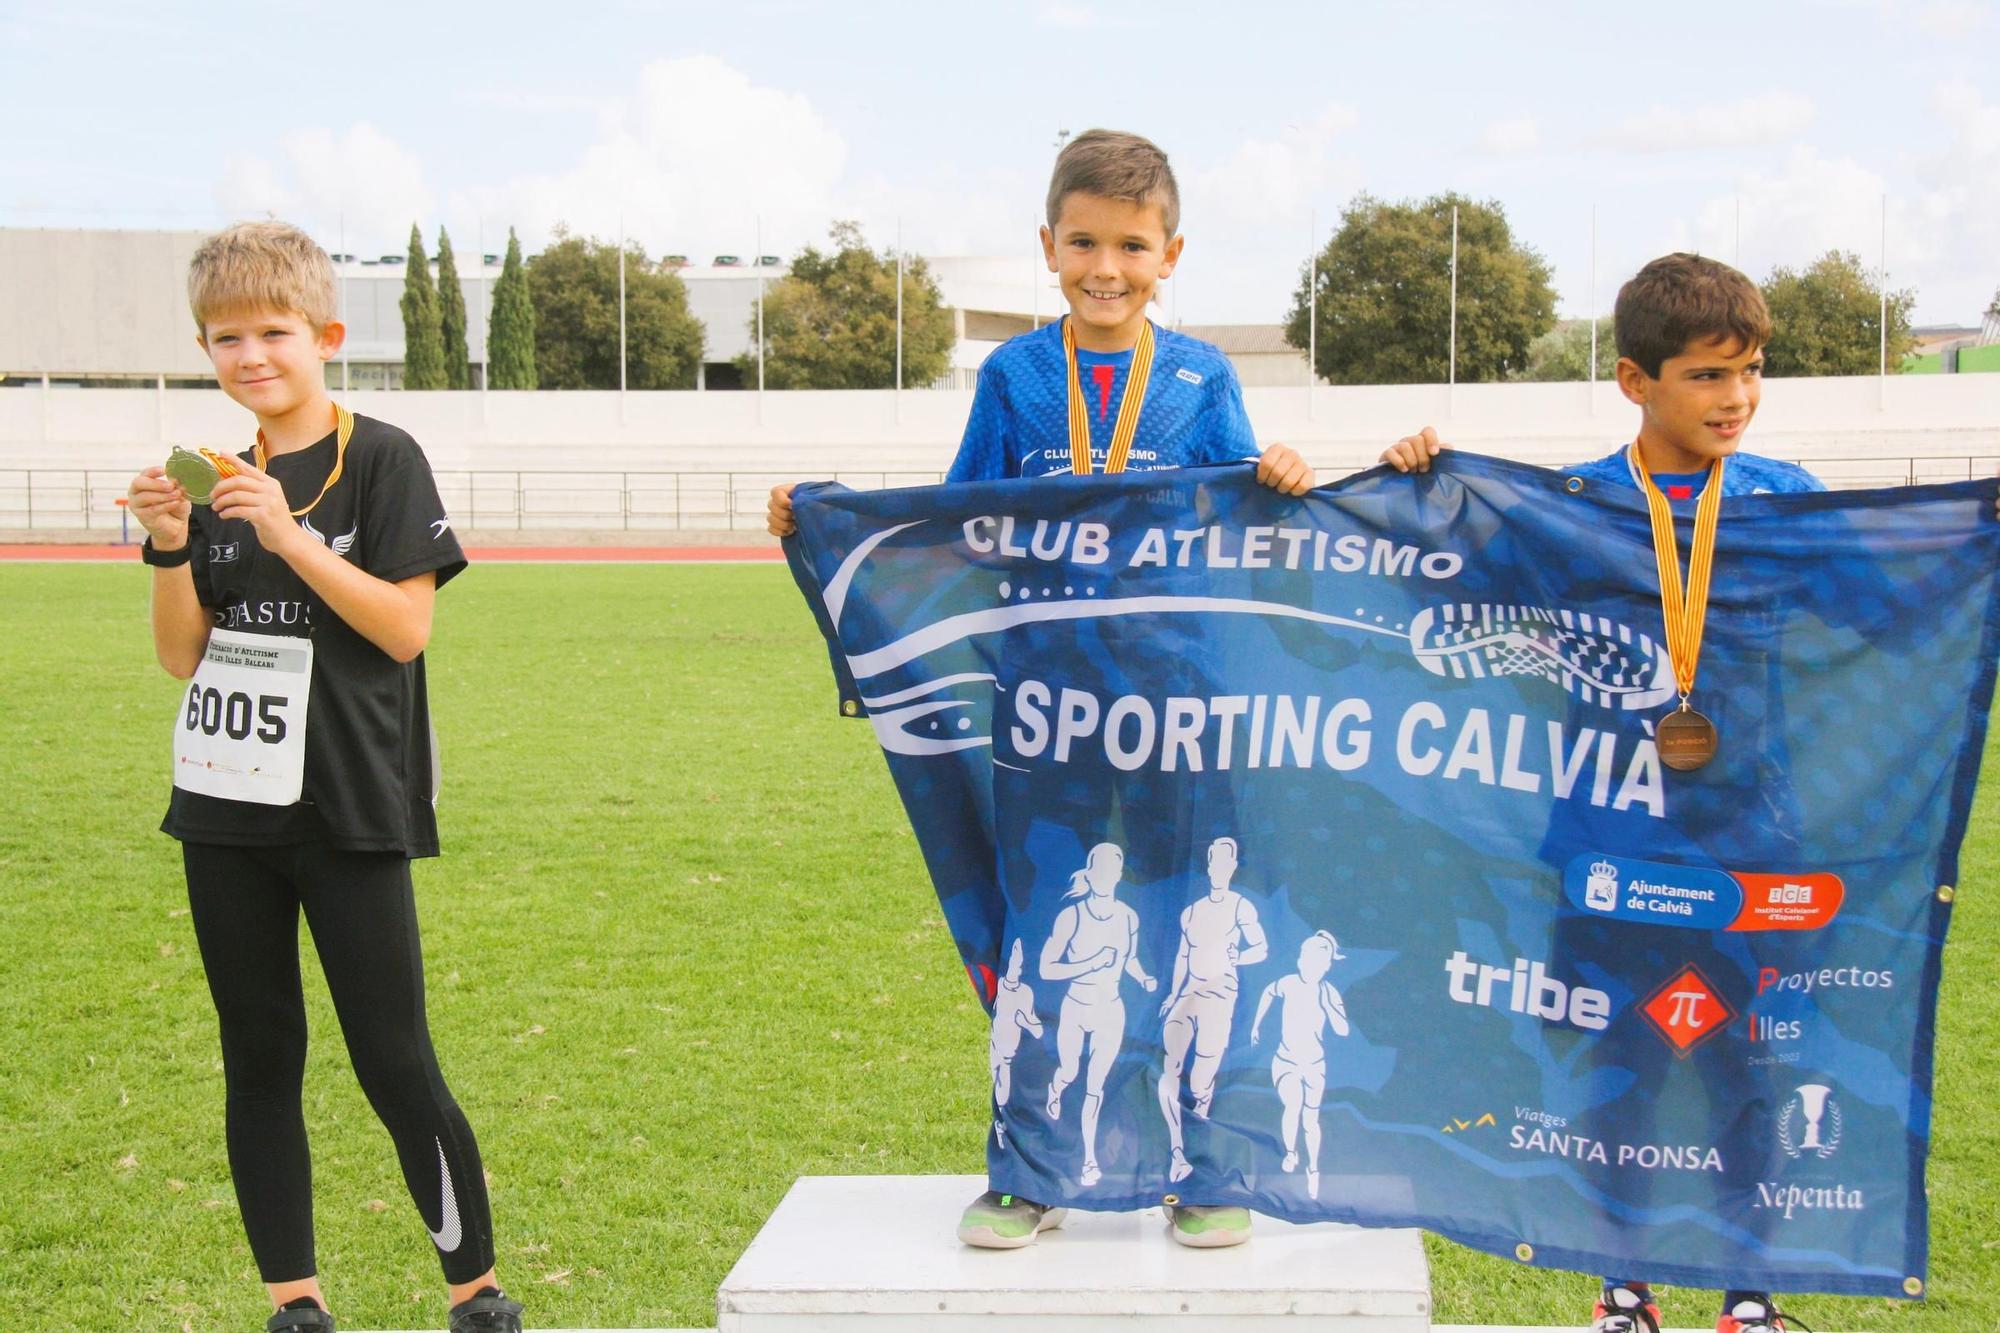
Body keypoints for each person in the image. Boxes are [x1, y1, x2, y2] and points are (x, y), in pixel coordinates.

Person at [775, 129, 1314, 1251]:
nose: (1104, 266)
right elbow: (956, 521)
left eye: (1129, 245)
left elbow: (1241, 525)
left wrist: (1280, 477)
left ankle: (1204, 1165)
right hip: (1050, 706)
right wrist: (829, 520)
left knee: (1188, 933)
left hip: (1182, 702)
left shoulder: (1203, 376)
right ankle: (1033, 1167)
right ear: (1047, 245)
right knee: (1045, 935)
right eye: (1083, 242)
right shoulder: (1016, 376)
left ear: (1169, 255)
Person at [1380, 252, 1825, 1333]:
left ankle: (1747, 1293)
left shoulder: (1785, 501)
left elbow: (1893, 588)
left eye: (1750, 372)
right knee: (1620, 1065)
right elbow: (1434, 578)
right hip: (1606, 841)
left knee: (1740, 1072)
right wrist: (1414, 479)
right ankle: (1621, 1287)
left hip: (1744, 847)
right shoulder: (1572, 510)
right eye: (1706, 376)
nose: (1735, 400)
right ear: (1634, 379)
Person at [124, 221, 523, 1333]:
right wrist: (167, 542)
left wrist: (296, 539)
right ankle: (293, 1302)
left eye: (273, 332)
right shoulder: (216, 480)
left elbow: (402, 629)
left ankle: (476, 1291)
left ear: (325, 336)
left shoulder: (382, 456)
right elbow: (182, 654)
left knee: (395, 1060)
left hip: (349, 803)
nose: (250, 355)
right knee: (258, 1058)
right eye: (225, 338)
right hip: (222, 807)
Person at [1157, 837, 1268, 1186]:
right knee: (1170, 1066)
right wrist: (1173, 995)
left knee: (1203, 1077)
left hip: (1220, 995)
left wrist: (1241, 957)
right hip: (1188, 992)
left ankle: (1197, 1142)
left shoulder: (1241, 907)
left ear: (1233, 868)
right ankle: (1176, 1151)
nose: (1219, 869)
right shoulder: (1192, 911)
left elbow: (1261, 947)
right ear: (1208, 867)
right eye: (1214, 862)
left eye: (1226, 862)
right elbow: (1182, 956)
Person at [1249, 931, 1350, 1202]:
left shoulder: (1329, 992)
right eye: (1305, 958)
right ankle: (1291, 1152)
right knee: (1292, 1105)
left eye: (1318, 962)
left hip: (1314, 1065)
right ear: (1300, 959)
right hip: (1285, 1060)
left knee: (1311, 1119)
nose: (1309, 965)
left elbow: (1342, 1030)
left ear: (1326, 966)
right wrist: (1256, 1025)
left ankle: (1313, 1168)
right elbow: (1268, 992)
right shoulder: (1289, 983)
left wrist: (1329, 1006)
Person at [988, 937, 1045, 1152]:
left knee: (1006, 1093)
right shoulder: (1002, 983)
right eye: (1013, 961)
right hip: (998, 1046)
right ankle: (1005, 1149)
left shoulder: (1025, 992)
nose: (1015, 966)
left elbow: (1034, 1025)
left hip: (1011, 1053)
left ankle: (1011, 1146)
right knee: (1001, 1094)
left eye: (1019, 963)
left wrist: (1026, 1021)